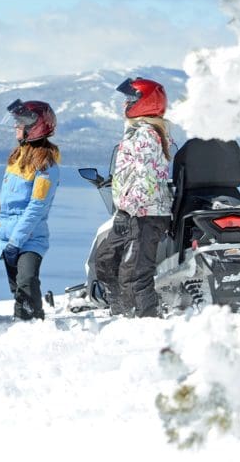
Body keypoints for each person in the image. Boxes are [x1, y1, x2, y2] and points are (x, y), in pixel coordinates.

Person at [95, 77, 173, 318]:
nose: (124, 104)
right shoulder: (137, 132)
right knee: (105, 260)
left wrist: (125, 210)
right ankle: (122, 312)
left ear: (146, 102)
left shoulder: (146, 135)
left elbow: (146, 179)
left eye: (130, 99)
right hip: (134, 212)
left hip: (145, 214)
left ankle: (142, 322)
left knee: (136, 273)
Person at [0, 99, 60, 321]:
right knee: (16, 288)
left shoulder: (46, 167)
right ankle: (23, 327)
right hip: (7, 236)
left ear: (34, 126)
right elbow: (8, 203)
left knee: (27, 283)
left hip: (30, 237)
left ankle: (33, 324)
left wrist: (16, 241)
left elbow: (36, 207)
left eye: (20, 122)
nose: (15, 126)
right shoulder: (16, 159)